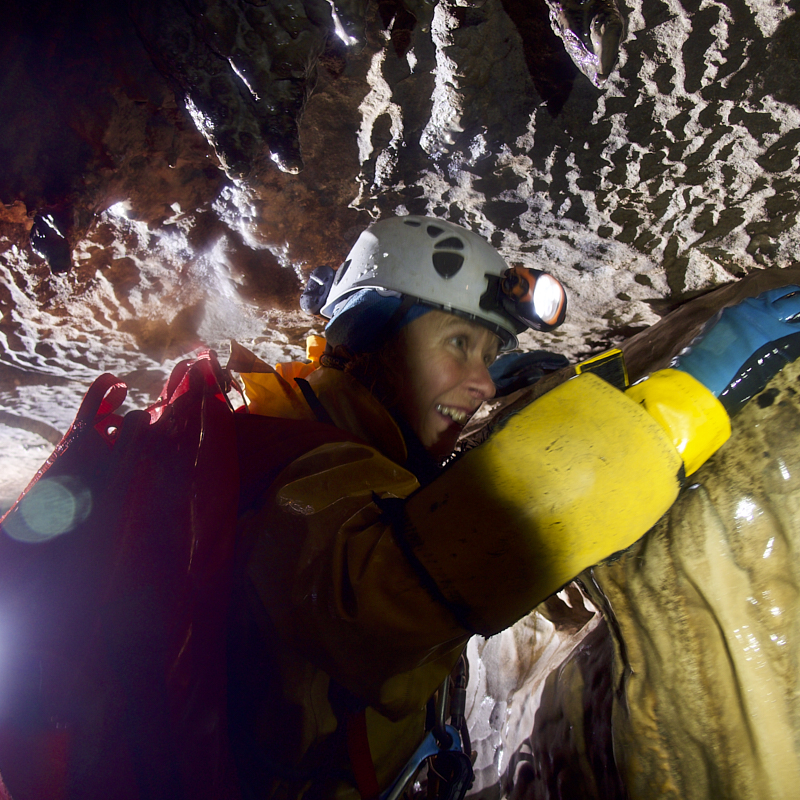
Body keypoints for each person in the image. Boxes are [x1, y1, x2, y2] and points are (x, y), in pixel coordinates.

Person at [226, 215, 800, 799]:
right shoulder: (285, 462)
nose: (485, 385)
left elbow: (417, 508)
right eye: (457, 343)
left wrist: (563, 385)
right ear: (372, 338)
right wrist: (684, 402)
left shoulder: (353, 445)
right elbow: (398, 588)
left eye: (489, 354)